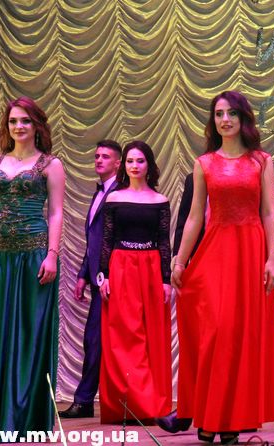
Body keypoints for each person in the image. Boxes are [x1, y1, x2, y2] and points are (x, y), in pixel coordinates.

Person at [170, 90, 274, 444]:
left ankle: (231, 422)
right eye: (219, 114)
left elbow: (269, 212)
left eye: (232, 113)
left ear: (243, 118)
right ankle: (208, 416)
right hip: (215, 252)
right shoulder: (204, 163)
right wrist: (180, 259)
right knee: (215, 334)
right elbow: (194, 217)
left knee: (239, 339)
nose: (225, 119)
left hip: (250, 252)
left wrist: (272, 258)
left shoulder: (262, 161)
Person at [0, 97, 65, 434]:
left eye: (25, 121)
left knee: (30, 335)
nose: (18, 126)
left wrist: (52, 254)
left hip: (35, 257)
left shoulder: (50, 164)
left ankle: (24, 418)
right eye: (13, 121)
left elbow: (56, 213)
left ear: (37, 125)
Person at [97, 140, 172, 423]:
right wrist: (103, 275)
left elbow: (164, 243)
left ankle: (151, 404)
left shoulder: (160, 200)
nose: (135, 166)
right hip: (121, 267)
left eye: (140, 161)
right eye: (130, 161)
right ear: (124, 165)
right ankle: (126, 404)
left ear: (149, 165)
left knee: (152, 336)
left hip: (151, 268)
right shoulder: (114, 198)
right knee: (124, 336)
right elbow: (106, 240)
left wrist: (166, 280)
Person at [59, 140, 122, 418]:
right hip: (98, 279)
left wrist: (106, 274)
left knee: (97, 340)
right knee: (93, 339)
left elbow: (115, 240)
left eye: (105, 156)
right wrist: (83, 275)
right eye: (96, 155)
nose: (98, 160)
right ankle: (86, 401)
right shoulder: (99, 193)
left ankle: (86, 401)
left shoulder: (121, 194)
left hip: (115, 279)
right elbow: (93, 241)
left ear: (118, 163)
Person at [155, 171, 205, 433]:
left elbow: (266, 217)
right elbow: (185, 220)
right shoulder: (195, 175)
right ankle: (187, 409)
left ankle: (234, 413)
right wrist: (178, 261)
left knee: (225, 340)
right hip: (198, 265)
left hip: (238, 262)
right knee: (195, 339)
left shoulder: (254, 171)